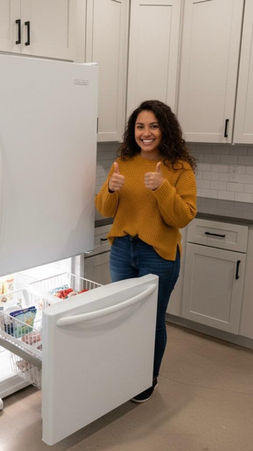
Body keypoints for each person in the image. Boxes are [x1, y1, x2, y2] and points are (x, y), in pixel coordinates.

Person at [95, 100, 197, 403]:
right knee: (123, 316)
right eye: (140, 126)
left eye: (153, 126)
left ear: (165, 129)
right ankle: (125, 371)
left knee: (151, 320)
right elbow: (104, 208)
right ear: (133, 131)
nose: (146, 132)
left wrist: (162, 187)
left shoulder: (179, 168)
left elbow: (183, 217)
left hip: (159, 254)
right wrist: (110, 189)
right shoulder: (123, 162)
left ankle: (146, 378)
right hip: (122, 250)